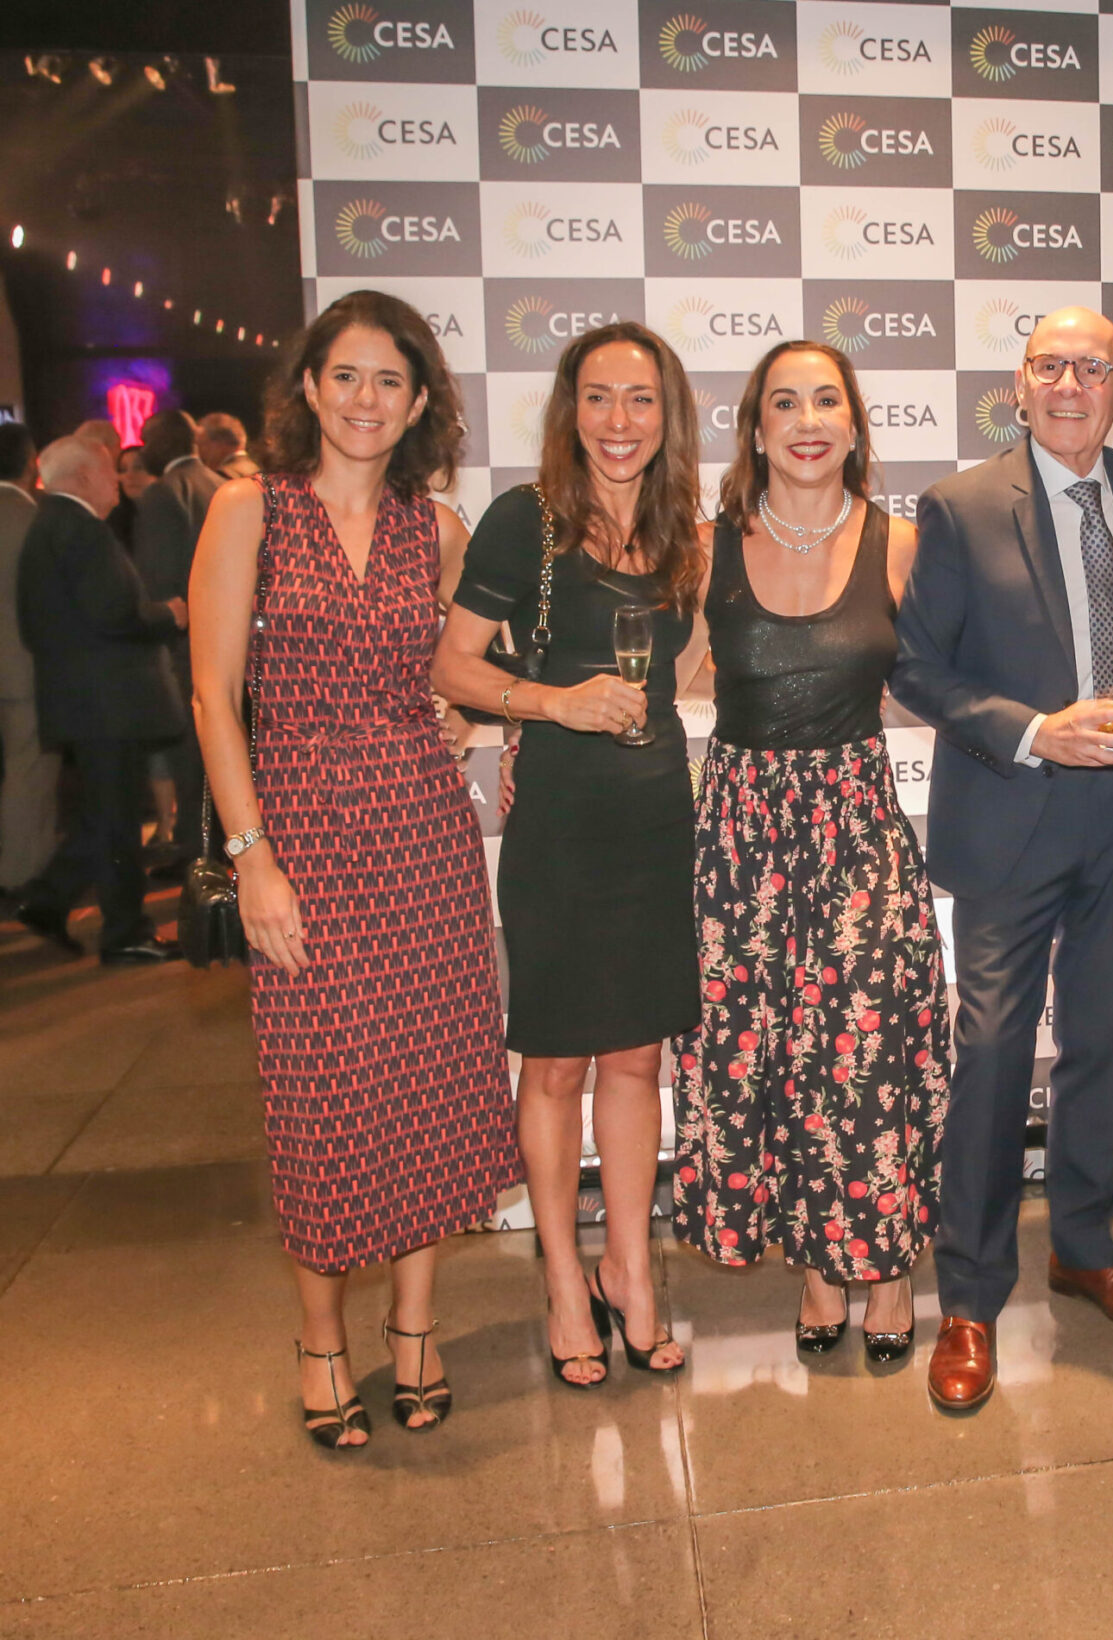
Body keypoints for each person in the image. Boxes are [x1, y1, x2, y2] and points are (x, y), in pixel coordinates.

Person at [191, 290, 522, 1448]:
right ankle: (321, 1337)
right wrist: (252, 858)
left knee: (428, 1082)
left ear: (420, 400)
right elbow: (213, 694)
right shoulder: (250, 509)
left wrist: (466, 713)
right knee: (321, 1097)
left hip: (422, 833)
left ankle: (416, 1328)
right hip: (299, 832)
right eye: (346, 375)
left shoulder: (437, 528)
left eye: (390, 380)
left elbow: (473, 660)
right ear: (309, 386)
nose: (366, 399)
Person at [892, 305, 1113, 1412]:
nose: (1069, 385)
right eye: (1049, 365)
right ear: (1018, 386)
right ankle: (968, 1296)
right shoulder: (961, 506)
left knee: (1103, 1038)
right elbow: (917, 667)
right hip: (1012, 810)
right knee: (994, 1051)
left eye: (1092, 368)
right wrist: (1030, 730)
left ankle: (1085, 1246)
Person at [432, 321, 703, 1387]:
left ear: (668, 414)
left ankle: (629, 1272)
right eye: (598, 397)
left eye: (640, 399)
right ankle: (561, 1280)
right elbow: (453, 665)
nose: (618, 421)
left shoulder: (684, 531)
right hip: (558, 821)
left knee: (637, 1058)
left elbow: (693, 667)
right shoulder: (526, 521)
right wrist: (549, 706)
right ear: (569, 408)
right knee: (553, 1064)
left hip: (653, 818)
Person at [671, 339, 950, 1365]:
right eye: (784, 403)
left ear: (855, 422)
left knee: (864, 1054)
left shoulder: (901, 542)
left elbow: (951, 677)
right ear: (754, 428)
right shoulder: (704, 547)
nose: (806, 421)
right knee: (766, 1054)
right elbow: (657, 677)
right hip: (740, 833)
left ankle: (886, 1263)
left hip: (856, 828)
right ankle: (820, 1264)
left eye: (826, 400)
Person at [13, 436, 187, 963]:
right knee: (115, 825)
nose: (118, 482)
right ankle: (125, 934)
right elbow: (115, 614)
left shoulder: (50, 525)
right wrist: (171, 613)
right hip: (108, 703)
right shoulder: (82, 530)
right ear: (86, 476)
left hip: (87, 701)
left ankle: (47, 900)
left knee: (101, 816)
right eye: (111, 472)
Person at [133, 410, 222, 860]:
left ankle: (196, 864)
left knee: (191, 762)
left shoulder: (163, 494)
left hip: (184, 651)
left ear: (161, 443)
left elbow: (161, 587)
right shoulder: (221, 485)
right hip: (228, 644)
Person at [0, 423, 61, 897]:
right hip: (23, 668)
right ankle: (21, 876)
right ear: (31, 463)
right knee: (29, 771)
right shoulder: (35, 520)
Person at [197, 411, 260, 480]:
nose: (198, 452)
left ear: (219, 443)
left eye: (202, 444)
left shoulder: (224, 475)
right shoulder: (258, 471)